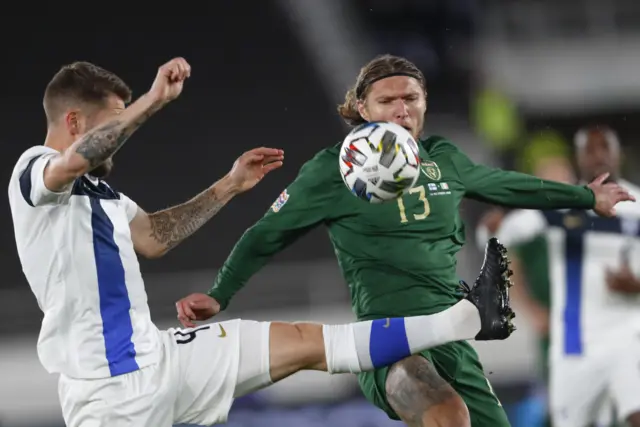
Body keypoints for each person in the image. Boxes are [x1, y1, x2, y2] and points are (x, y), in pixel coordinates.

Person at [8, 58, 518, 427]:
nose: (121, 131)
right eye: (111, 119)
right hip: (106, 394)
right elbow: (73, 160)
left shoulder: (103, 196)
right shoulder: (33, 174)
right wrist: (152, 101)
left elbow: (154, 238)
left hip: (161, 358)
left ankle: (464, 319)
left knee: (302, 342)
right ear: (74, 123)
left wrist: (227, 187)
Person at [175, 54, 635, 427]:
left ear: (425, 102)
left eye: (411, 98)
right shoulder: (330, 169)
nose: (401, 109)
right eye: (387, 100)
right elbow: (266, 235)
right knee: (445, 415)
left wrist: (584, 196)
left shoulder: (445, 160)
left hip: (453, 338)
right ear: (361, 108)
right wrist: (220, 294)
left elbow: (510, 186)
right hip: (386, 342)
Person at [479, 126, 640, 427]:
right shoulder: (558, 206)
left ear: (620, 154)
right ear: (577, 158)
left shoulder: (639, 207)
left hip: (630, 340)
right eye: (589, 150)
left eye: (605, 147)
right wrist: (494, 228)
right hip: (574, 347)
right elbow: (504, 237)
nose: (599, 156)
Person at [476, 148, 576, 427]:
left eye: (562, 177)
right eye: (551, 179)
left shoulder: (587, 218)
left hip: (591, 318)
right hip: (553, 322)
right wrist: (532, 311)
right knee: (560, 395)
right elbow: (510, 268)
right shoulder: (530, 224)